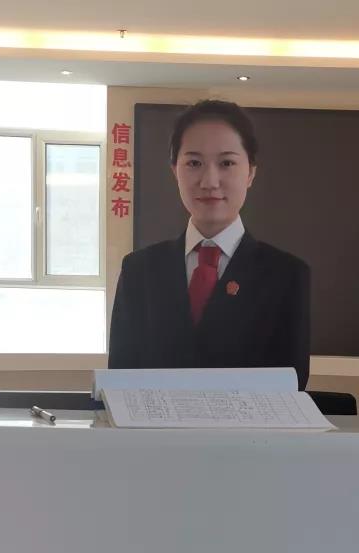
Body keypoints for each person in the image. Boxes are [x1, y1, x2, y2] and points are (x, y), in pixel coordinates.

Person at [108, 100, 311, 389]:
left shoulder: (286, 275)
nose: (209, 181)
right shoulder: (139, 271)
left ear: (250, 173)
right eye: (194, 163)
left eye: (226, 163)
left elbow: (288, 386)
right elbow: (120, 382)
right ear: (175, 171)